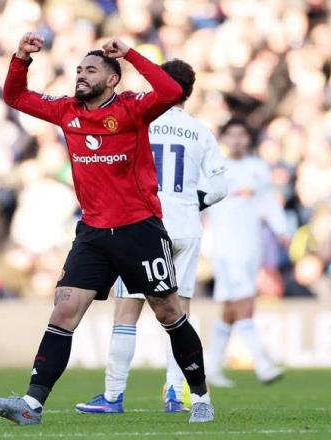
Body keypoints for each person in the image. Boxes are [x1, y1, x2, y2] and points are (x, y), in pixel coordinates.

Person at [0, 33, 214, 424]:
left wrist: (131, 54)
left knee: (168, 312)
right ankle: (31, 406)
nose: (81, 75)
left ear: (112, 79)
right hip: (92, 232)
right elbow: (15, 96)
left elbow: (172, 90)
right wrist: (21, 57)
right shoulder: (66, 111)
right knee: (64, 311)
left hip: (139, 229)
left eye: (90, 70)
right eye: (78, 70)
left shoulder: (132, 109)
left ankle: (202, 397)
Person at [74, 59, 227, 415]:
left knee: (127, 311)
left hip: (141, 224)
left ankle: (113, 395)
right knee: (178, 313)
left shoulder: (138, 119)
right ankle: (175, 393)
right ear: (189, 91)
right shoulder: (199, 130)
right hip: (185, 226)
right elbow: (220, 186)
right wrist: (188, 203)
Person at [206, 118, 285, 387]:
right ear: (224, 138)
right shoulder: (215, 168)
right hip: (226, 249)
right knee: (245, 301)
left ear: (249, 138)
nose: (237, 140)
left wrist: (281, 230)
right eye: (232, 135)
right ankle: (263, 364)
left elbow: (268, 203)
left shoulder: (258, 168)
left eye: (242, 134)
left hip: (252, 246)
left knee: (231, 308)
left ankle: (212, 367)